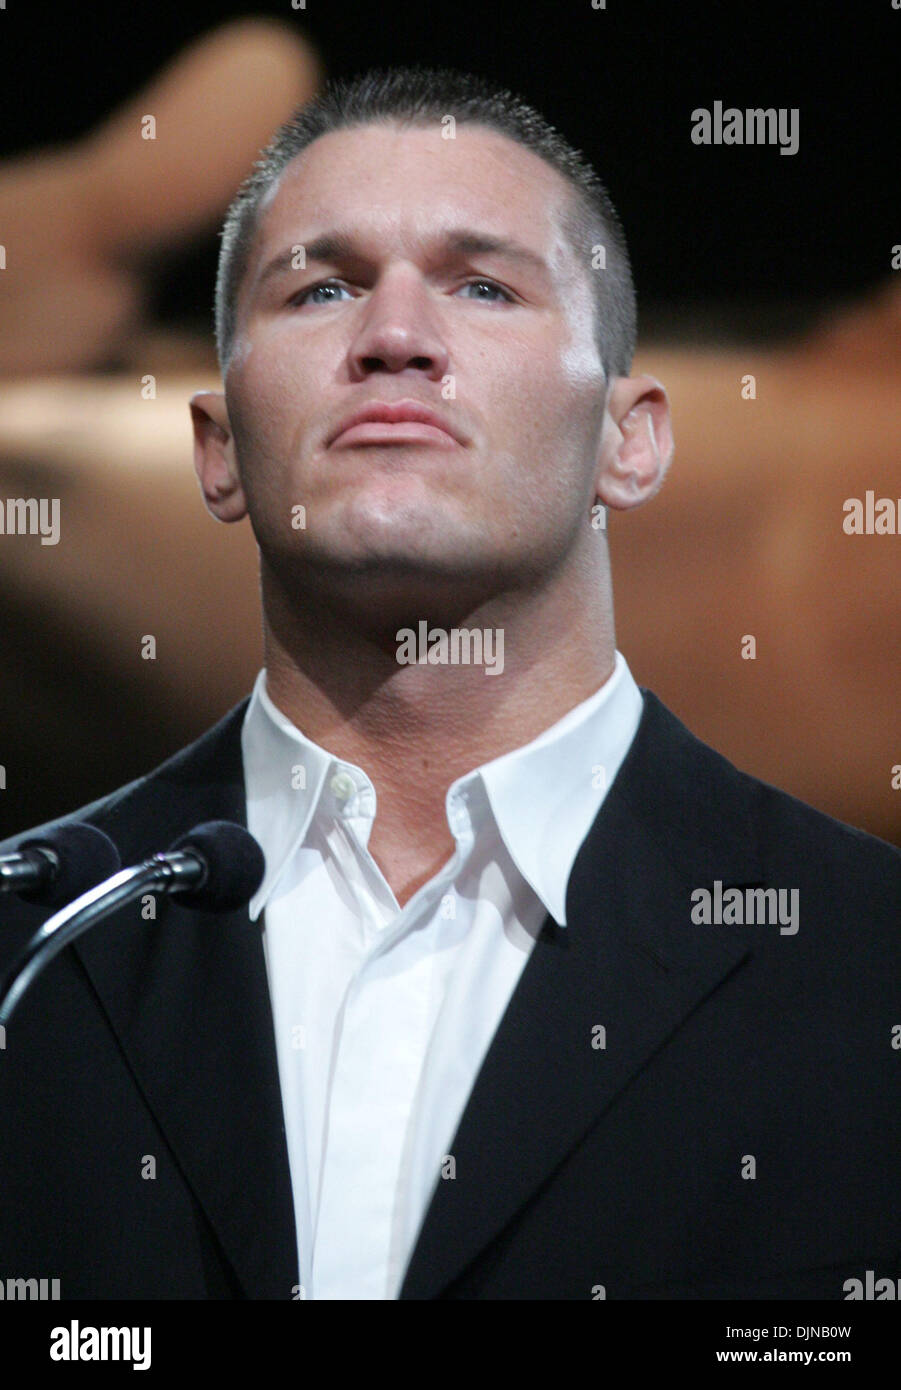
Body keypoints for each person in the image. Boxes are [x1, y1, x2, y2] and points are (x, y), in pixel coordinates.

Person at [0, 67, 897, 1302]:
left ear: (630, 442)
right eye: (322, 288)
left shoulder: (866, 965)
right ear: (218, 455)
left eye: (484, 285)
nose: (396, 334)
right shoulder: (32, 944)